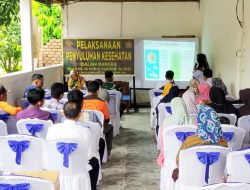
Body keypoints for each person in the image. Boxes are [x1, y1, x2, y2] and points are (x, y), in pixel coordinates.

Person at [46, 101, 99, 190]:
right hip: (78, 171)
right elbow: (89, 155)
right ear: (80, 114)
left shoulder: (52, 129)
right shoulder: (85, 131)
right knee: (95, 161)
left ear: (62, 113)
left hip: (56, 170)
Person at [172, 104, 227, 182]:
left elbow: (179, 161)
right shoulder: (223, 141)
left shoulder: (190, 140)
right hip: (216, 181)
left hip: (192, 180)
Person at [67, 89, 106, 163]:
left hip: (67, 153)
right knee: (101, 141)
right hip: (86, 155)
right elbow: (99, 131)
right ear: (82, 103)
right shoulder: (93, 116)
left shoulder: (60, 121)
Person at [157, 97, 194, 167]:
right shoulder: (193, 122)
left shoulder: (165, 124)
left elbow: (162, 144)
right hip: (189, 159)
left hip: (170, 159)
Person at [83, 80, 113, 156]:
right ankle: (108, 151)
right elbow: (107, 119)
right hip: (98, 129)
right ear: (98, 90)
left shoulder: (81, 101)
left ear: (87, 90)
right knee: (110, 127)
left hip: (83, 127)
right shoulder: (102, 103)